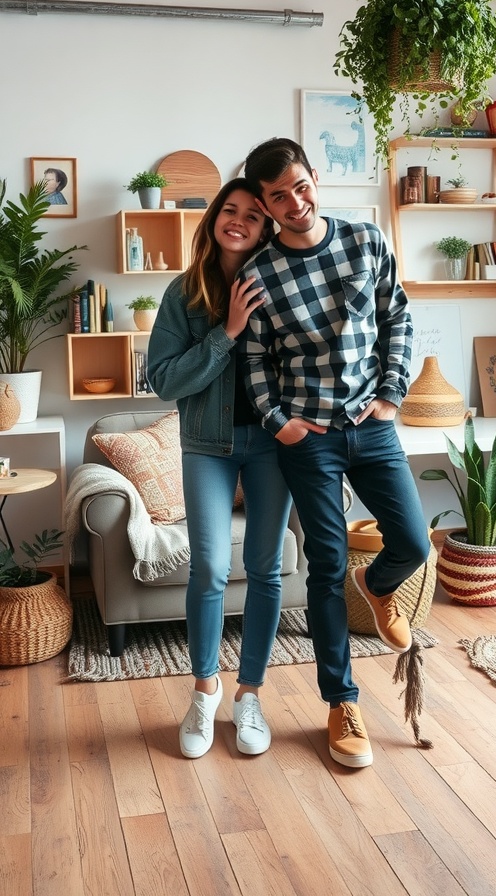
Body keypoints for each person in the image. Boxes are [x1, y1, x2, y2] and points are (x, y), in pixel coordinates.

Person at [239, 138, 431, 769]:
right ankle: (340, 702)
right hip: (308, 439)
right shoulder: (259, 273)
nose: (295, 203)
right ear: (265, 206)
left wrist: (392, 397)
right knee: (324, 568)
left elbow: (396, 318)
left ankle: (379, 589)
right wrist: (278, 422)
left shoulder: (365, 241)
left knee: (413, 542)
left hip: (372, 425)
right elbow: (256, 361)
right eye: (277, 197)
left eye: (300, 186)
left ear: (314, 177)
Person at [147, 178, 293, 760]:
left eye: (253, 216)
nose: (238, 221)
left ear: (265, 228)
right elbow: (165, 381)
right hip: (205, 444)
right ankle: (205, 692)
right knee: (207, 567)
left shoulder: (281, 285)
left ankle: (249, 695)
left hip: (272, 444)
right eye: (228, 211)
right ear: (213, 219)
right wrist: (226, 332)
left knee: (266, 568)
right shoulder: (182, 294)